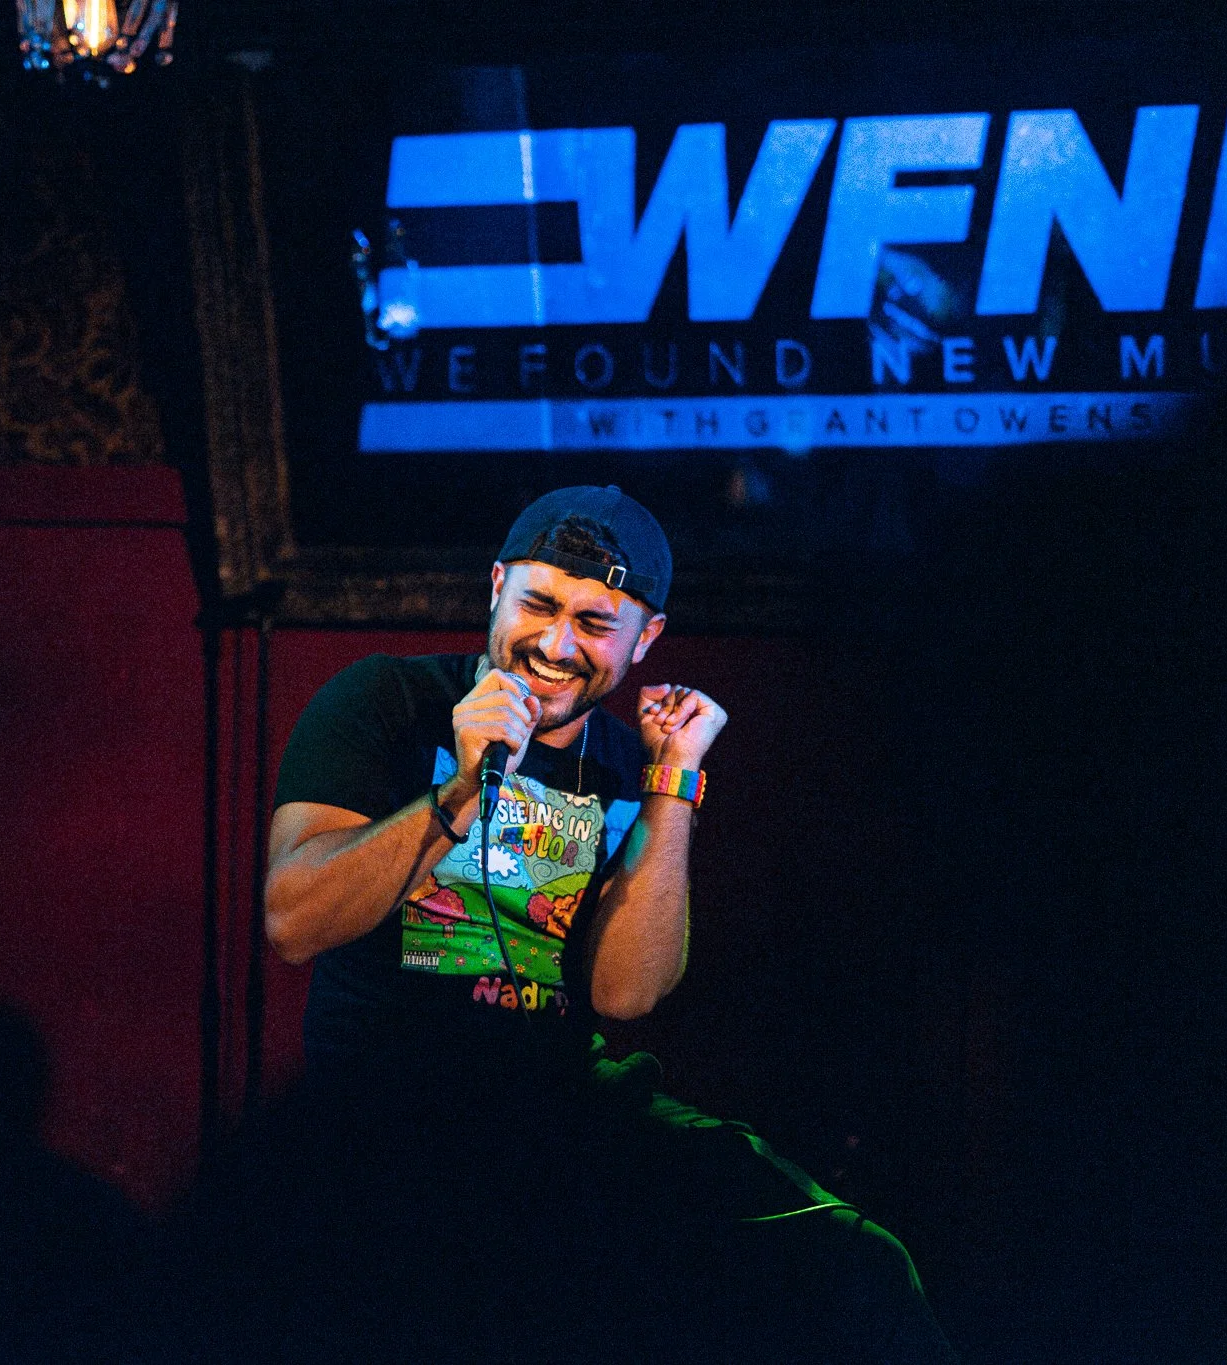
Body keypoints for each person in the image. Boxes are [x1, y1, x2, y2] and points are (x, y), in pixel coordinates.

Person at [243, 485, 957, 1361]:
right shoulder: (387, 701)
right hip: (387, 1110)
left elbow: (627, 992)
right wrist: (460, 791)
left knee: (854, 1263)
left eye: (594, 620)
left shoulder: (624, 766)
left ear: (644, 638)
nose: (555, 643)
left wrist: (674, 784)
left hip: (562, 1119)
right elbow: (293, 919)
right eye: (538, 604)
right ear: (496, 586)